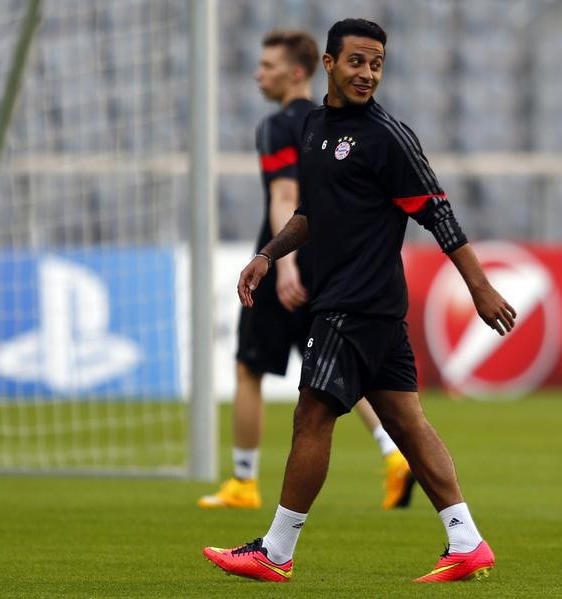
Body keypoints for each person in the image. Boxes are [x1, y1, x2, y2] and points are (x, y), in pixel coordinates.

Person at [203, 18, 516, 583]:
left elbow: (438, 211)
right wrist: (268, 255)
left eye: (376, 63)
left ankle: (274, 552)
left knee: (312, 416)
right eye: (356, 62)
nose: (367, 73)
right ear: (328, 64)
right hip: (364, 306)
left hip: (354, 303)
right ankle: (467, 541)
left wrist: (480, 287)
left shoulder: (387, 136)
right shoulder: (316, 126)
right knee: (408, 426)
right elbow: (310, 215)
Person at [197, 29, 414, 512]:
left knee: (249, 367)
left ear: (299, 71)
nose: (259, 75)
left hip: (289, 258)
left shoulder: (282, 127)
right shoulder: (335, 121)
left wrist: (283, 264)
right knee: (336, 373)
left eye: (268, 66)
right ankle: (394, 454)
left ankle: (243, 482)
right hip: (339, 261)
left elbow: (285, 198)